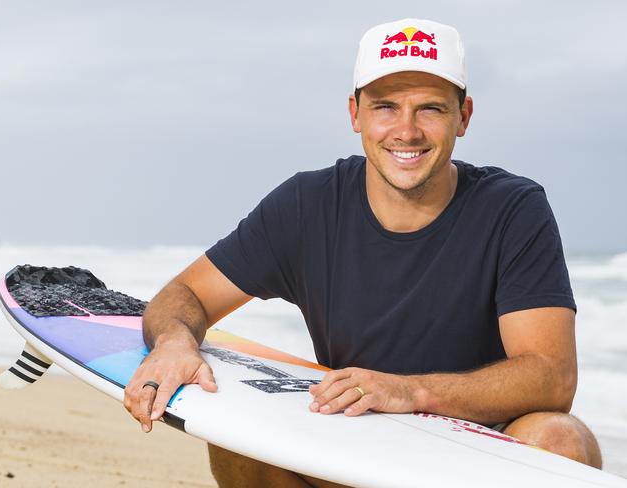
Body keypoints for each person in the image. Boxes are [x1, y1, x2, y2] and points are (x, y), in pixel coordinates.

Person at [123, 17, 602, 487]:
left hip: (475, 450)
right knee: (234, 423)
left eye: (431, 109)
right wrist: (173, 343)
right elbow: (187, 293)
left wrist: (410, 390)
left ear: (464, 117)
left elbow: (551, 377)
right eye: (386, 107)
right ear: (355, 114)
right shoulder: (308, 205)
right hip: (358, 443)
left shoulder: (512, 209)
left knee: (559, 440)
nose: (407, 131)